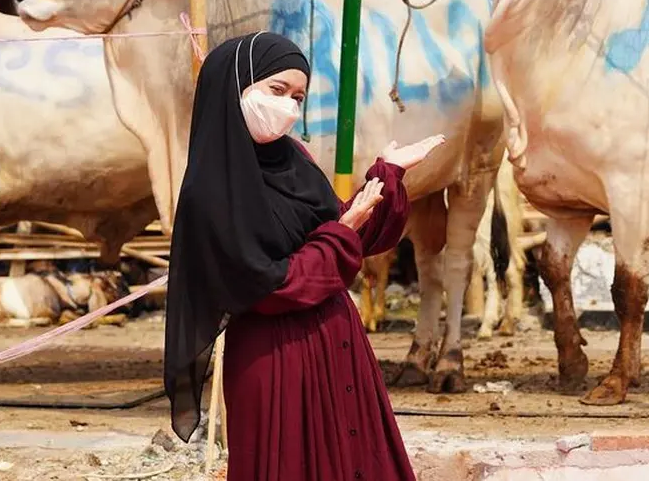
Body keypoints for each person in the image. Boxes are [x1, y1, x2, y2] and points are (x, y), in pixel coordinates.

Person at [163, 30, 444, 481]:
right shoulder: (209, 191)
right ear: (235, 88)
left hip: (337, 344)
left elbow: (347, 236)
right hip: (276, 362)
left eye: (298, 96)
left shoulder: (293, 161)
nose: (290, 107)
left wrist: (386, 176)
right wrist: (342, 232)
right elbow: (273, 287)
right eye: (277, 90)